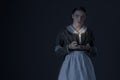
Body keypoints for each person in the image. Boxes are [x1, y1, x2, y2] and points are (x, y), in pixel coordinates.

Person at [54, 6, 97, 80]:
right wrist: (69, 47)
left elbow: (95, 52)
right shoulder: (64, 32)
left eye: (82, 16)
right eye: (77, 16)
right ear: (72, 16)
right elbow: (57, 50)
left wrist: (88, 48)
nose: (79, 19)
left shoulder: (88, 32)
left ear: (85, 17)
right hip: (70, 63)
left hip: (84, 63)